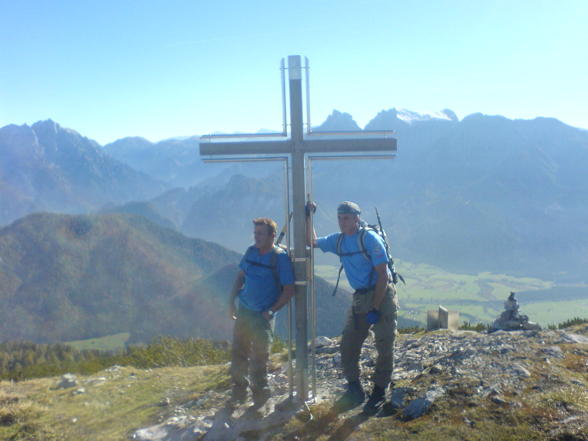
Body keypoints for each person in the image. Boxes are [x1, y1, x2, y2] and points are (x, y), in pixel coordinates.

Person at [307, 201, 398, 415]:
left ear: (356, 218)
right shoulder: (338, 241)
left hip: (381, 295)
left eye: (346, 217)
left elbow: (383, 275)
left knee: (385, 344)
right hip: (359, 297)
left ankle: (379, 390)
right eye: (339, 217)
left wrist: (375, 307)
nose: (341, 221)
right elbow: (311, 242)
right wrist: (309, 215)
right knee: (348, 344)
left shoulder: (369, 239)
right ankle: (354, 389)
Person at [228, 217, 295, 409]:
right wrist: (231, 301)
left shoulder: (280, 258)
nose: (256, 237)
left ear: (272, 236)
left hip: (262, 317)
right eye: (255, 233)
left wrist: (271, 311)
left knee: (259, 356)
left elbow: (289, 289)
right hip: (245, 311)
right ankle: (239, 391)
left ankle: (260, 397)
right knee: (238, 352)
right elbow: (240, 277)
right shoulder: (250, 252)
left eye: (260, 233)